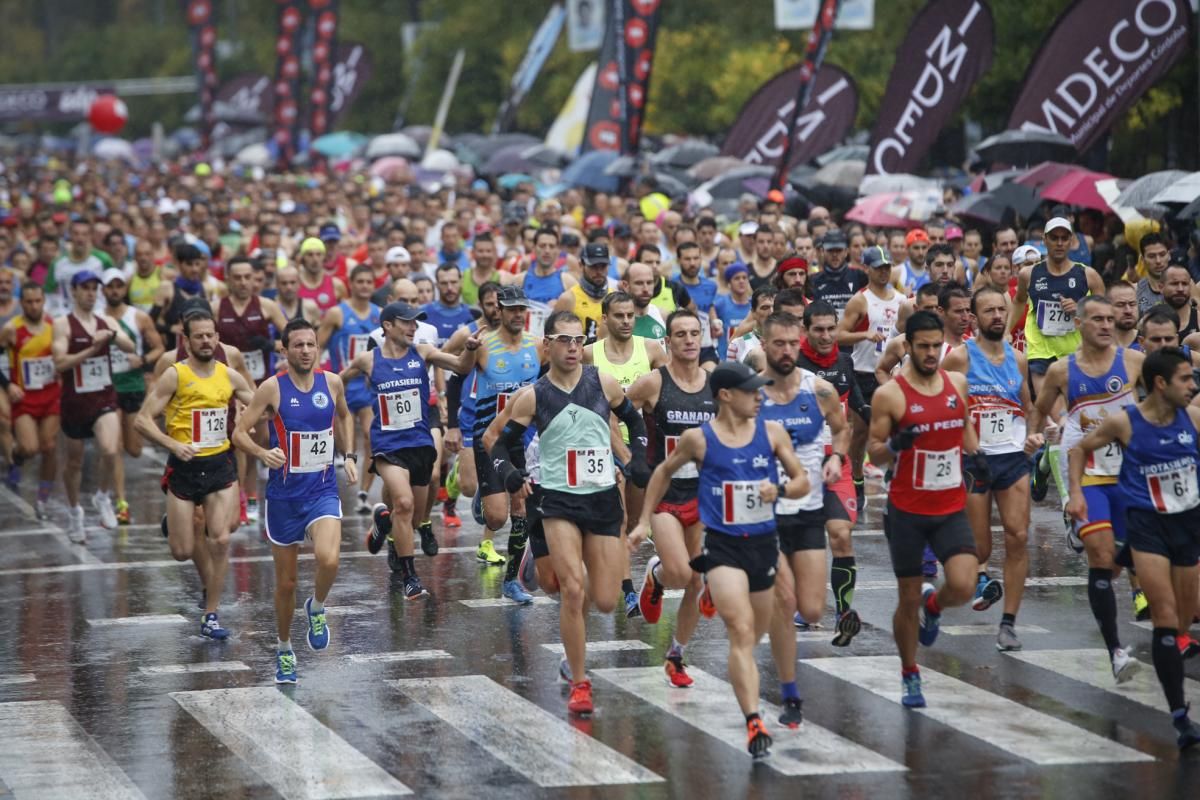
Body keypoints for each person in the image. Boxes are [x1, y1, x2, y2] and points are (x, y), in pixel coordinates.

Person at [633, 360, 809, 758]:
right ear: (726, 396)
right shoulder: (700, 439)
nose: (759, 397)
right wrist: (644, 519)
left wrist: (778, 489)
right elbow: (662, 471)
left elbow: (802, 481)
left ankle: (780, 694)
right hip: (724, 548)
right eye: (751, 391)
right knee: (741, 631)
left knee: (761, 626)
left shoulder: (772, 433)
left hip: (763, 545)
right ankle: (753, 721)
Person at [486, 311, 653, 716]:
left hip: (600, 499)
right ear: (548, 346)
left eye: (579, 339)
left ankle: (646, 580)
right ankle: (580, 681)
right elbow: (495, 446)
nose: (573, 347)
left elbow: (635, 421)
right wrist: (511, 475)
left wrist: (638, 460)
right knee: (572, 589)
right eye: (564, 339)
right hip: (556, 499)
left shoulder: (603, 383)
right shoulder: (533, 396)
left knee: (606, 600)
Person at [1067, 348, 1200, 750]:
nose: (1193, 386)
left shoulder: (1193, 418)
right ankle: (1180, 718)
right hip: (1147, 527)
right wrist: (1075, 492)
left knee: (1184, 620)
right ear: (1161, 384)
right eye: (1185, 379)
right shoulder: (1125, 422)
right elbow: (1078, 449)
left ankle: (1174, 651)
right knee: (1163, 614)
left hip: (1187, 526)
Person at [867, 310, 986, 708]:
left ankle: (935, 607)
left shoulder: (957, 383)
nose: (932, 353)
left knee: (965, 584)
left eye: (937, 345)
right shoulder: (891, 395)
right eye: (924, 346)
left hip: (950, 504)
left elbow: (965, 422)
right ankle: (909, 671)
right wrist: (895, 447)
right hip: (907, 510)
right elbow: (874, 450)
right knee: (907, 597)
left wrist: (975, 453)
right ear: (909, 346)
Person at [232, 318, 357, 684]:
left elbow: (345, 416)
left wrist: (348, 456)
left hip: (321, 490)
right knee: (285, 584)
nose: (306, 350)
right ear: (284, 350)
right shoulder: (272, 388)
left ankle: (316, 606)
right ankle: (284, 649)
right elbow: (239, 432)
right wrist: (262, 452)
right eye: (298, 345)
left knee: (328, 558)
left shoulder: (331, 382)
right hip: (284, 497)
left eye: (311, 344)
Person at [1032, 295, 1144, 682]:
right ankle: (1115, 651)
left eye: (1110, 319)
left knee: (1125, 560)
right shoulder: (1062, 371)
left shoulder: (1133, 362)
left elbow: (1165, 397)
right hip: (1090, 473)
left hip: (1130, 477)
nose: (1106, 325)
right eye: (1097, 318)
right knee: (1100, 556)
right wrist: (1042, 431)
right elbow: (1040, 405)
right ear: (1078, 323)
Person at [341, 301, 476, 600]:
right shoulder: (368, 360)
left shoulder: (423, 352)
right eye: (407, 322)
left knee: (411, 519)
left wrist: (469, 348)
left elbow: (461, 366)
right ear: (387, 326)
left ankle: (384, 522)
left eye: (416, 322)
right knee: (402, 502)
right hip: (388, 446)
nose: (414, 327)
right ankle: (410, 578)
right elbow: (336, 383)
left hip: (420, 444)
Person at [754, 312, 851, 725]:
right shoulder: (750, 394)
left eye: (794, 343)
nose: (788, 351)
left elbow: (843, 429)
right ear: (764, 343)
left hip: (809, 509)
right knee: (785, 600)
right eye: (779, 344)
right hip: (765, 515)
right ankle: (790, 693)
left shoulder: (820, 389)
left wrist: (837, 458)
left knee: (811, 610)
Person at [134, 309, 255, 639]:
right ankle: (175, 523)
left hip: (219, 465)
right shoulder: (176, 375)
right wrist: (172, 443)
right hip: (184, 468)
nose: (205, 341)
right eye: (198, 336)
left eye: (210, 335)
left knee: (221, 538)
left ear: (218, 338)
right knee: (182, 551)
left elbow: (261, 401)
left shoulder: (228, 375)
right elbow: (143, 420)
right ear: (186, 341)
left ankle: (211, 614)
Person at [941, 286, 1037, 651]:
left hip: (1012, 458)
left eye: (1002, 309)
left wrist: (1032, 435)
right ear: (974, 318)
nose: (997, 315)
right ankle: (940, 598)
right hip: (974, 460)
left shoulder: (1019, 359)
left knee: (1019, 536)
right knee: (980, 549)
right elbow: (938, 399)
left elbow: (1026, 405)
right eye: (989, 311)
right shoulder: (959, 359)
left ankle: (1009, 623)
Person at [626, 309, 715, 688]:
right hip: (663, 493)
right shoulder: (653, 382)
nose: (689, 340)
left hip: (702, 493)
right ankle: (657, 575)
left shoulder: (716, 384)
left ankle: (676, 654)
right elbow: (617, 411)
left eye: (695, 333)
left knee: (696, 580)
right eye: (681, 334)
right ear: (668, 342)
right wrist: (628, 453)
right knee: (680, 572)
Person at [465, 285, 544, 602]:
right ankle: (485, 499)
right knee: (496, 518)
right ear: (499, 309)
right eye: (511, 309)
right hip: (490, 436)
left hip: (522, 440)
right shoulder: (484, 344)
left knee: (520, 506)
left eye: (521, 309)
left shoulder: (538, 347)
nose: (517, 314)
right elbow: (458, 368)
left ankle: (511, 580)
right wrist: (467, 351)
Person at [52, 271, 137, 540]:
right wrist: (91, 348)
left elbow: (129, 346)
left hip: (103, 396)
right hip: (75, 401)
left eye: (94, 288)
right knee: (74, 462)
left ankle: (102, 496)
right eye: (85, 288)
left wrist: (111, 335)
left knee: (111, 449)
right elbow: (60, 363)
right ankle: (75, 510)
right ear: (74, 291)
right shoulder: (62, 324)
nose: (91, 293)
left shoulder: (106, 320)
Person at [1009, 216, 1105, 398]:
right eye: (1054, 238)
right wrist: (1008, 330)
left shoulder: (1089, 275)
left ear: (1071, 241)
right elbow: (1019, 302)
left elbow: (1103, 314)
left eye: (1064, 238)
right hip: (1040, 353)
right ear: (1045, 241)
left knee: (1071, 413)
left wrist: (1079, 309)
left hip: (1075, 352)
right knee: (1052, 411)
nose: (1059, 243)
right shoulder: (1028, 274)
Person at [838, 246, 902, 500]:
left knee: (897, 426)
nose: (883, 272)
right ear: (867, 269)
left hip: (889, 373)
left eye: (887, 267)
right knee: (862, 431)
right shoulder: (860, 300)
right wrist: (863, 334)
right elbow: (839, 334)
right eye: (878, 267)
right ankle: (857, 477)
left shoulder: (900, 299)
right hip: (862, 373)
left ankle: (893, 472)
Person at [101, 267, 164, 525]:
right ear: (103, 290)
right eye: (110, 286)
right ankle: (120, 502)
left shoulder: (138, 317)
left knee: (134, 449)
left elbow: (159, 347)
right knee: (113, 447)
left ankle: (116, 497)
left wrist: (143, 360)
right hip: (105, 388)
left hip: (132, 386)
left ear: (125, 288)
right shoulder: (95, 318)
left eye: (119, 285)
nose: (115, 290)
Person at [317, 263, 382, 514]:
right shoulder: (337, 314)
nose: (365, 286)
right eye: (360, 281)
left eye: (369, 282)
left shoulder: (380, 314)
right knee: (345, 444)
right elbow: (317, 346)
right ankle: (343, 477)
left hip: (366, 387)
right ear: (351, 284)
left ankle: (364, 493)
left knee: (370, 435)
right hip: (341, 386)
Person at [0, 283, 60, 519]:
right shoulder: (11, 329)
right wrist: (8, 385)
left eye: (37, 301)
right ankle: (16, 455)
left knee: (49, 447)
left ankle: (42, 500)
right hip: (24, 398)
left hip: (51, 395)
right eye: (28, 302)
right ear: (21, 303)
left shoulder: (54, 327)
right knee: (30, 447)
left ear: (44, 300)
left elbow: (63, 355)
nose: (34, 306)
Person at [555, 241, 613, 344]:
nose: (599, 271)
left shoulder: (614, 297)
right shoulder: (568, 299)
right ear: (581, 264)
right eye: (593, 266)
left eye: (603, 266)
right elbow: (554, 339)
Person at [809, 229, 865, 318]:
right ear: (823, 251)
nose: (835, 255)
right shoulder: (812, 280)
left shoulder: (860, 276)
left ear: (846, 252)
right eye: (830, 250)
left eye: (838, 250)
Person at [297, 237, 346, 312]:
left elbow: (346, 314)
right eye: (310, 255)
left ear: (324, 257)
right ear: (303, 258)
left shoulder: (336, 285)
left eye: (319, 254)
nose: (315, 259)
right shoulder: (294, 284)